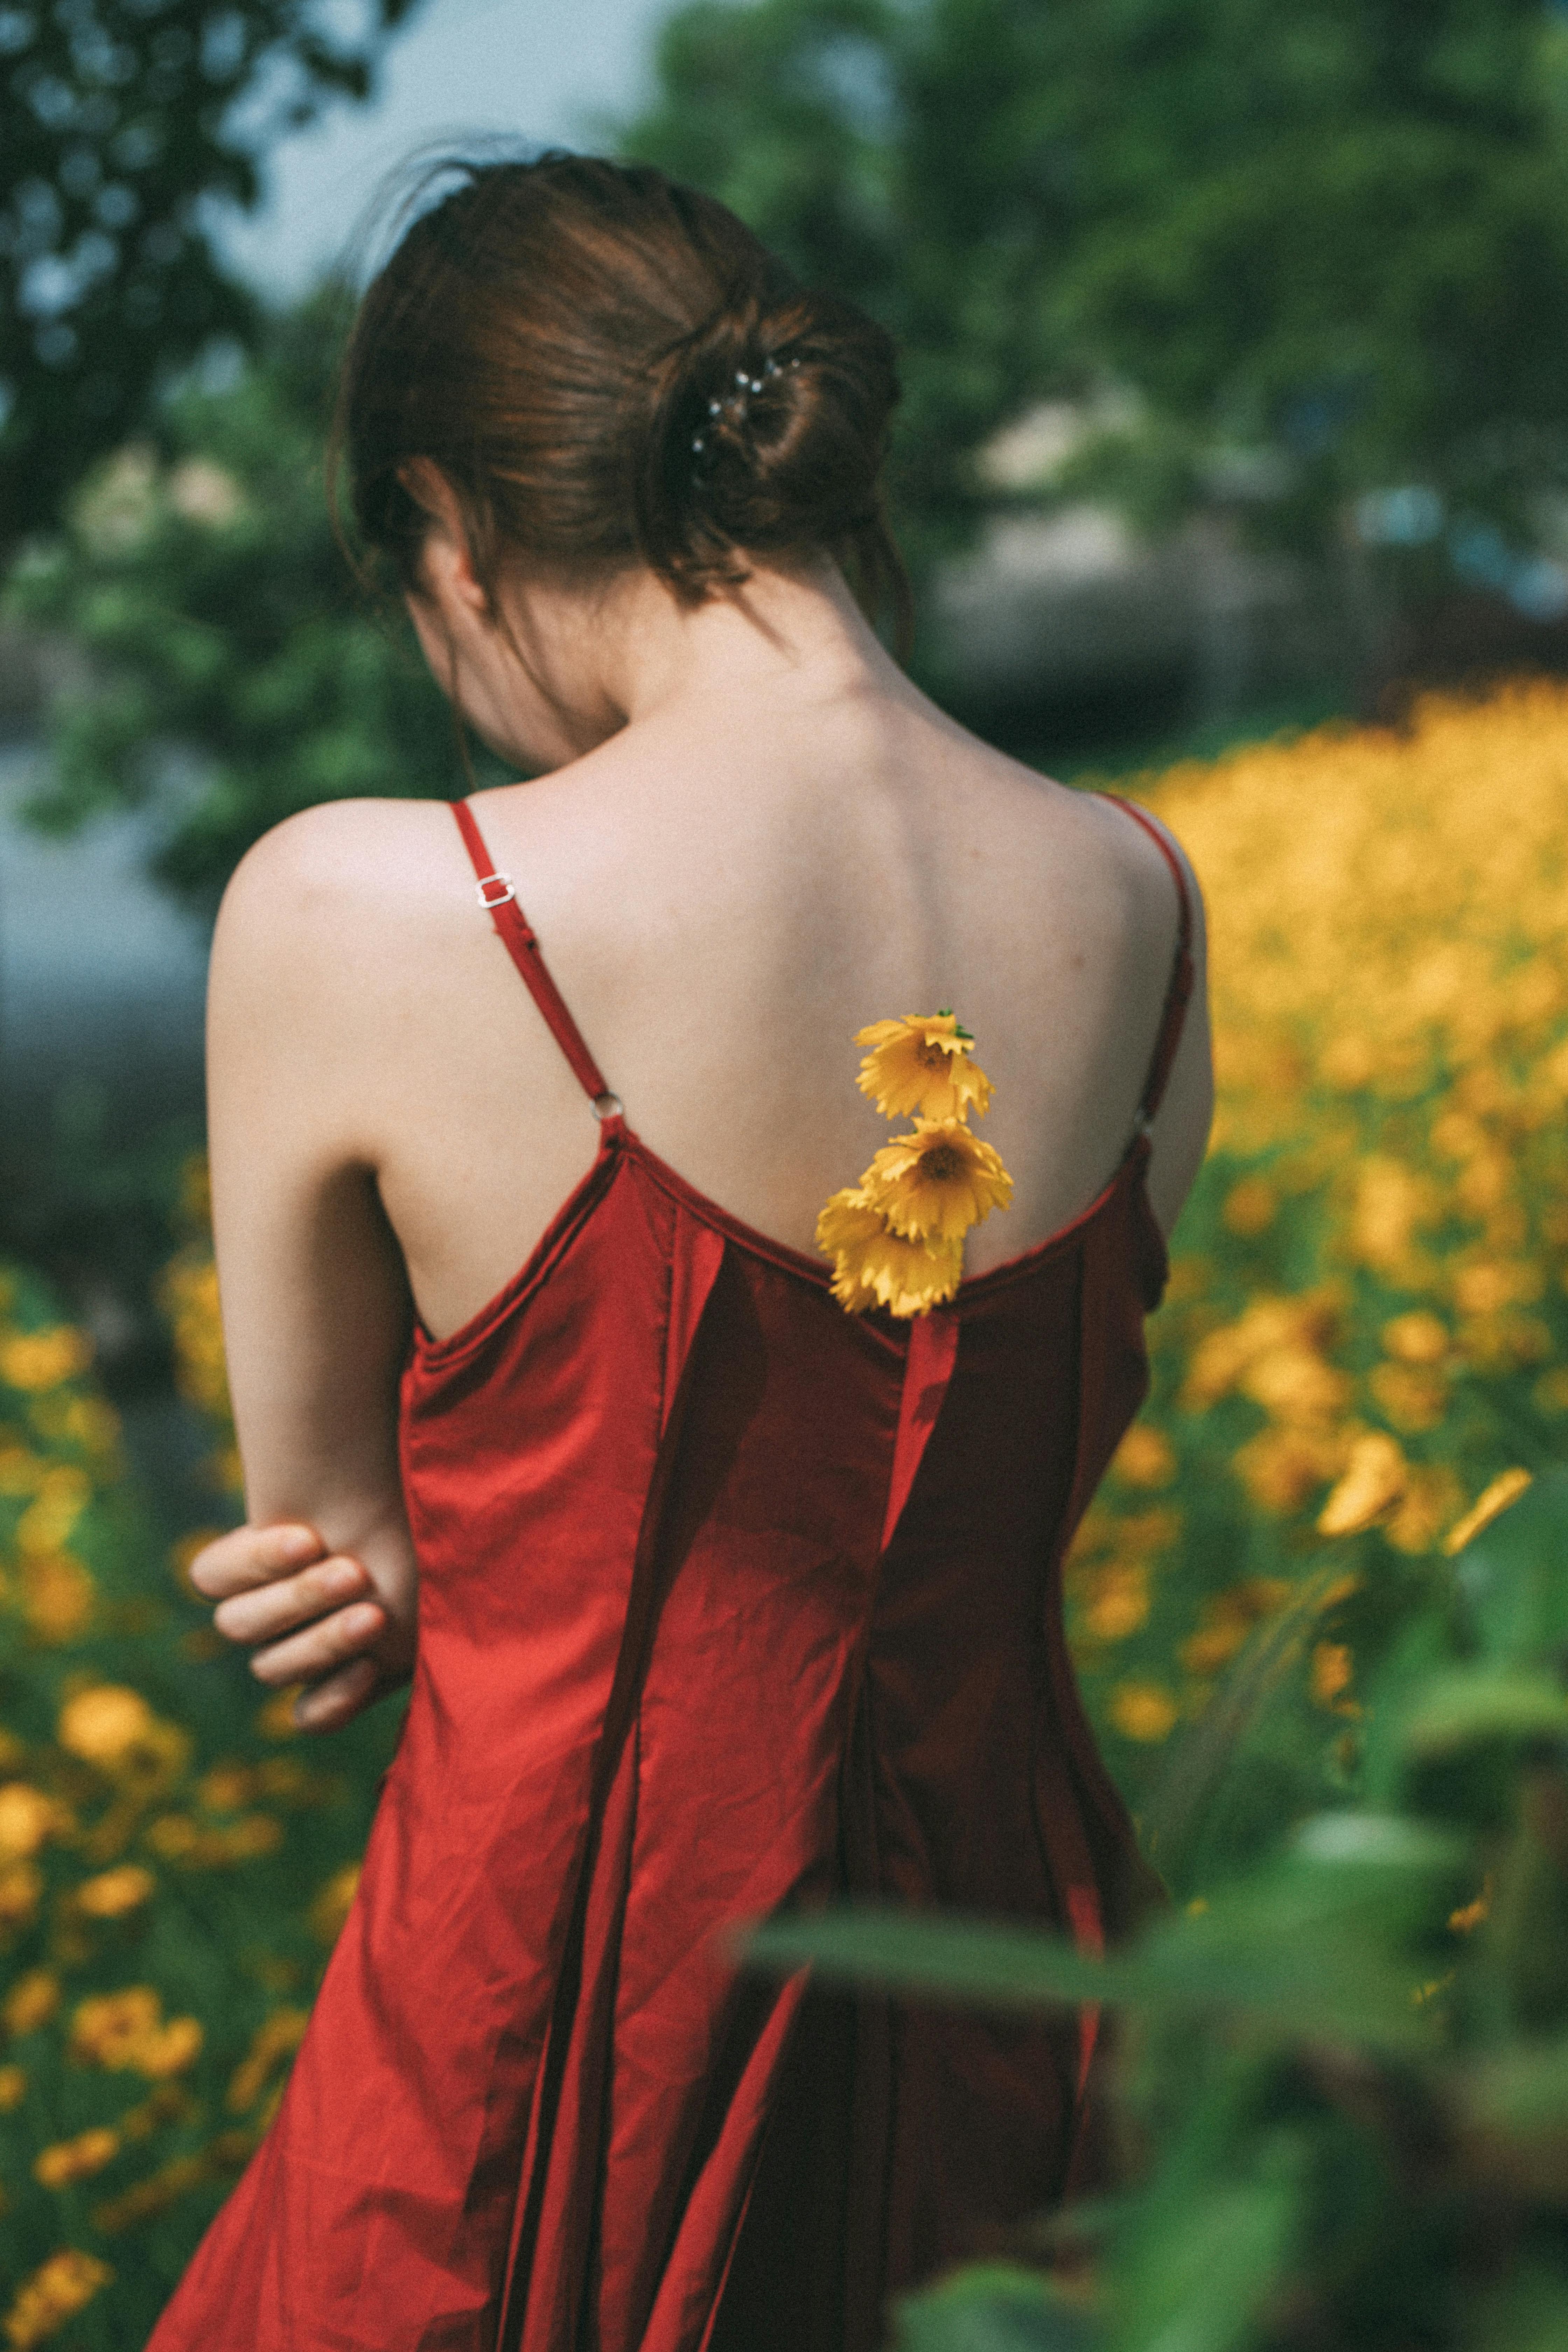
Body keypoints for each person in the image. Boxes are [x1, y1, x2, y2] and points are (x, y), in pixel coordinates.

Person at [151, 152, 1212, 2352]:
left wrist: (341, 1585)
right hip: (1015, 2008)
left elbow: (344, 1558)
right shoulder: (1145, 900)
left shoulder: (367, 910)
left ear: (450, 529)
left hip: (549, 2039)